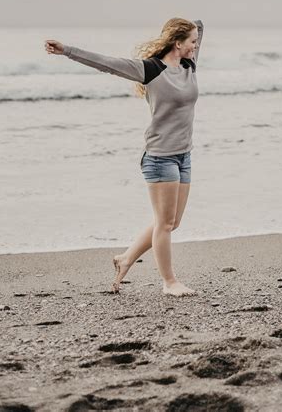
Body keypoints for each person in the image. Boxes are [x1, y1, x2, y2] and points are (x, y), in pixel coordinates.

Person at [44, 17, 204, 297]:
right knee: (165, 223)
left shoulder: (189, 64)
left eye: (196, 41)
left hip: (183, 156)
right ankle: (169, 282)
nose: (197, 45)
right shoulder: (150, 70)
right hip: (160, 158)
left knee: (171, 222)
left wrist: (193, 25)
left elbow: (199, 25)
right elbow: (105, 63)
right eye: (192, 41)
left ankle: (126, 258)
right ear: (178, 43)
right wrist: (66, 50)